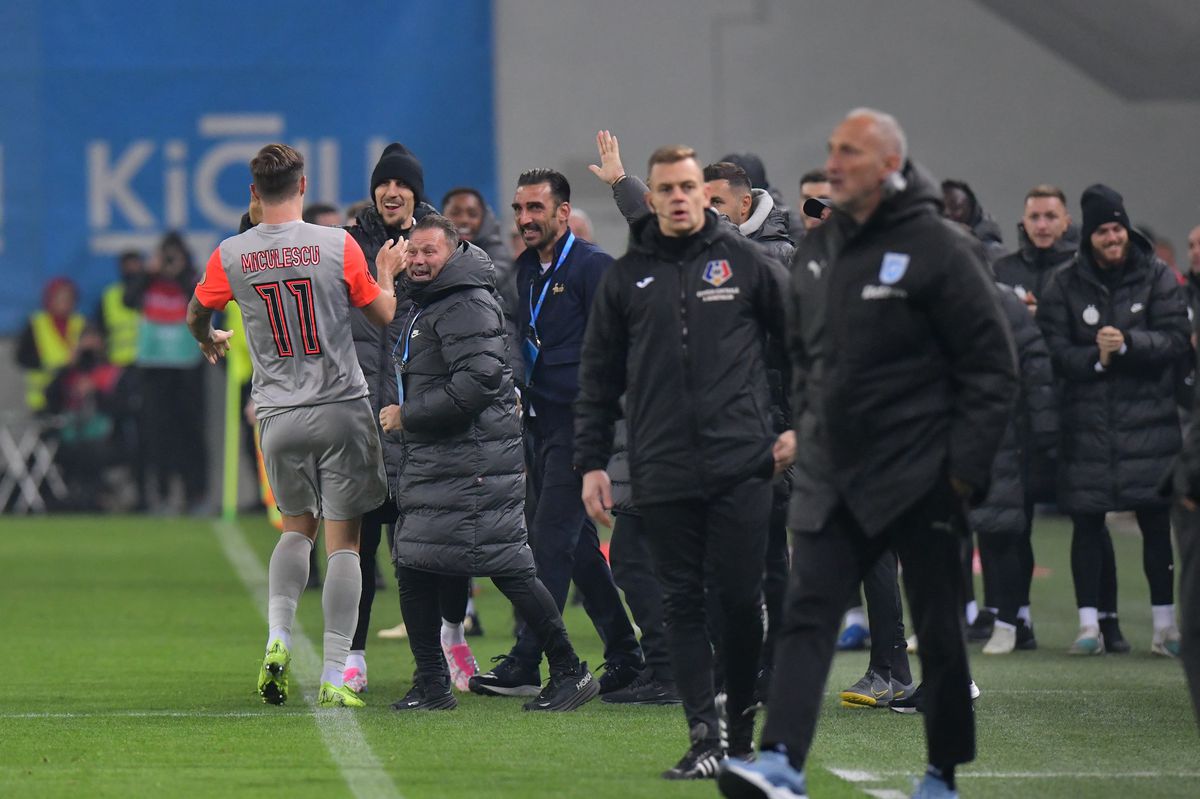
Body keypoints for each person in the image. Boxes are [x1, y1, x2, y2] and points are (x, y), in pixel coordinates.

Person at [718, 109, 1017, 799]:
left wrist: (964, 472)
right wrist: (807, 426)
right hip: (833, 473)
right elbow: (803, 353)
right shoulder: (819, 250)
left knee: (938, 631)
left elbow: (994, 367)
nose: (833, 163)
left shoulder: (941, 246)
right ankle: (782, 762)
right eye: (830, 150)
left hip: (924, 476)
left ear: (888, 165)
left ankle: (942, 773)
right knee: (807, 612)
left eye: (849, 152)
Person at [574, 143, 791, 779]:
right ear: (654, 198)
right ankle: (705, 739)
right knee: (682, 604)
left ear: (701, 194)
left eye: (685, 187)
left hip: (741, 465)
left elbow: (808, 344)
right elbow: (598, 378)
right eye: (663, 187)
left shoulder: (746, 264)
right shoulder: (627, 276)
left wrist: (801, 427)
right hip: (661, 466)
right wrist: (592, 462)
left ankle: (742, 734)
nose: (674, 197)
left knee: (737, 599)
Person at [186, 143, 399, 708]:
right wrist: (386, 276)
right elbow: (382, 315)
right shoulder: (337, 244)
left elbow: (194, 313)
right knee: (346, 544)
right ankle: (334, 673)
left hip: (279, 414)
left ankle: (278, 637)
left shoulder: (230, 254)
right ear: (302, 186)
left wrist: (210, 339)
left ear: (254, 193)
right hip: (341, 408)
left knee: (293, 530)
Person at [378, 214, 598, 712]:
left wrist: (408, 415)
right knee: (414, 565)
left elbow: (477, 383)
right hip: (442, 459)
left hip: (473, 460)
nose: (418, 260)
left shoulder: (468, 302)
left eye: (429, 251)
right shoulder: (431, 302)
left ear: (456, 252)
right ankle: (433, 686)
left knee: (508, 567)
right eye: (413, 252)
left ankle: (569, 669)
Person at [470, 168, 643, 700]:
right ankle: (626, 654)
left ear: (563, 213)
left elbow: (621, 345)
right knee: (582, 551)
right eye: (519, 209)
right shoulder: (525, 272)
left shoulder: (593, 268)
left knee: (546, 546)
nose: (525, 219)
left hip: (581, 427)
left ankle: (530, 660)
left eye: (536, 209)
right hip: (541, 426)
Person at [1037, 184, 1190, 657]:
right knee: (1086, 523)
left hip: (1149, 424)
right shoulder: (1064, 283)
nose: (1112, 237)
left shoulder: (1158, 276)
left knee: (1154, 523)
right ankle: (1090, 627)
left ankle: (1165, 628)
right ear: (1090, 237)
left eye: (1117, 228)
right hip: (1086, 426)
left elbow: (1176, 340)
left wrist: (1125, 345)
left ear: (1127, 229)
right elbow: (1051, 348)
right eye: (1103, 230)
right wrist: (1096, 359)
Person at [590, 131, 794, 265]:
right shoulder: (698, 240)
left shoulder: (780, 253)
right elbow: (660, 218)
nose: (708, 207)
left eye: (716, 202)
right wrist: (620, 180)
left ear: (745, 203)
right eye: (705, 200)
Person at [124, 232, 208, 513]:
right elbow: (129, 299)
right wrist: (150, 274)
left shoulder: (191, 279)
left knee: (190, 432)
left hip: (186, 366)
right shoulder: (148, 281)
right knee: (156, 433)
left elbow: (204, 303)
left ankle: (194, 492)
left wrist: (181, 273)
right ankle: (160, 492)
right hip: (154, 365)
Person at [16, 277, 86, 414]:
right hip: (43, 396)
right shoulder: (36, 323)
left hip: (73, 396)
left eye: (69, 298)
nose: (65, 303)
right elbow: (22, 357)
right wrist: (49, 365)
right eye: (60, 298)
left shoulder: (80, 323)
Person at [942, 178, 1005, 264]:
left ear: (972, 210)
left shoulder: (993, 252)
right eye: (940, 208)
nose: (947, 213)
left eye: (955, 207)